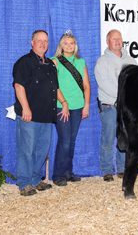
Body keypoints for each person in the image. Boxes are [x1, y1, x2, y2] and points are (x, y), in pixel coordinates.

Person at [13, 30, 58, 196]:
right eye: (39, 40)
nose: (43, 43)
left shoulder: (51, 64)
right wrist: (25, 107)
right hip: (29, 115)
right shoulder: (24, 62)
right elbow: (19, 86)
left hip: (46, 114)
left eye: (45, 41)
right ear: (32, 42)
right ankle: (24, 183)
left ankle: (35, 179)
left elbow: (54, 88)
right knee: (27, 149)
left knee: (42, 150)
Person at [94, 29, 137, 182]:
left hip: (126, 108)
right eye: (114, 39)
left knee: (125, 138)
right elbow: (104, 84)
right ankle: (106, 170)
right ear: (108, 42)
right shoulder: (102, 61)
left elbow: (136, 83)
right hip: (110, 106)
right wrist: (124, 95)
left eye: (119, 38)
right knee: (107, 139)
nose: (117, 41)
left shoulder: (131, 60)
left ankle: (122, 168)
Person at [51, 30, 91, 187]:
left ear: (75, 46)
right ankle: (58, 175)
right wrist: (63, 103)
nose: (68, 46)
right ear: (61, 46)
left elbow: (86, 86)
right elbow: (53, 85)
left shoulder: (81, 62)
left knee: (72, 141)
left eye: (71, 43)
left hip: (78, 106)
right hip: (62, 106)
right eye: (65, 43)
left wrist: (86, 104)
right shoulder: (55, 61)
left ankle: (68, 172)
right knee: (65, 140)